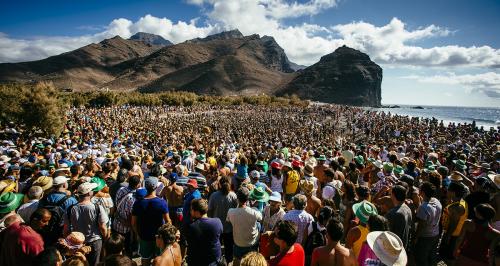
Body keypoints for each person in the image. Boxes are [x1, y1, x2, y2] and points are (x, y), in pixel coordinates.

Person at [65, 182, 109, 266]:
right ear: (89, 193)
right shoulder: (97, 208)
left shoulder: (70, 209)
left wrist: (69, 245)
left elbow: (66, 230)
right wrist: (105, 238)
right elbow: (103, 227)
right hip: (95, 241)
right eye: (92, 190)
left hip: (77, 243)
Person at [131, 177, 171, 266]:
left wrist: (137, 234)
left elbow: (133, 223)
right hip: (159, 237)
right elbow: (168, 221)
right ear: (156, 187)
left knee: (145, 259)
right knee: (159, 260)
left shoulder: (138, 203)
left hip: (144, 236)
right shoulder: (162, 202)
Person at [227, 186, 262, 263]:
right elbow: (260, 218)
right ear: (248, 198)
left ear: (237, 198)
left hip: (238, 244)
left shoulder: (231, 212)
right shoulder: (254, 212)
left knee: (238, 261)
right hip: (251, 245)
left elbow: (228, 220)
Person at [208, 175, 238, 262]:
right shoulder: (233, 196)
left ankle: (217, 261)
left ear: (220, 184)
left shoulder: (214, 195)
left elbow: (209, 211)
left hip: (216, 227)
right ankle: (228, 262)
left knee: (216, 247)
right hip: (229, 228)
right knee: (229, 248)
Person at [187, 198, 223, 265]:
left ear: (197, 212)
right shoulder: (217, 222)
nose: (190, 211)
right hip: (215, 260)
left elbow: (191, 247)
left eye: (191, 209)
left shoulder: (192, 227)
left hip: (201, 261)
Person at [414, 181, 442, 266]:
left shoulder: (423, 207)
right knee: (431, 256)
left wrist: (416, 237)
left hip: (425, 236)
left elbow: (421, 225)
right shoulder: (437, 201)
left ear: (422, 192)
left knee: (421, 258)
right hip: (435, 234)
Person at [440, 181, 468, 263]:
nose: (446, 191)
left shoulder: (457, 208)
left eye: (448, 189)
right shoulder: (462, 201)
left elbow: (453, 224)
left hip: (452, 236)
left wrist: (447, 237)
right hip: (453, 234)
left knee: (447, 258)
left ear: (453, 192)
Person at [384, 184, 412, 249]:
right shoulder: (408, 208)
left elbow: (385, 234)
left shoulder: (392, 214)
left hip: (393, 248)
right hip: (402, 247)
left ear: (393, 195)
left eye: (390, 194)